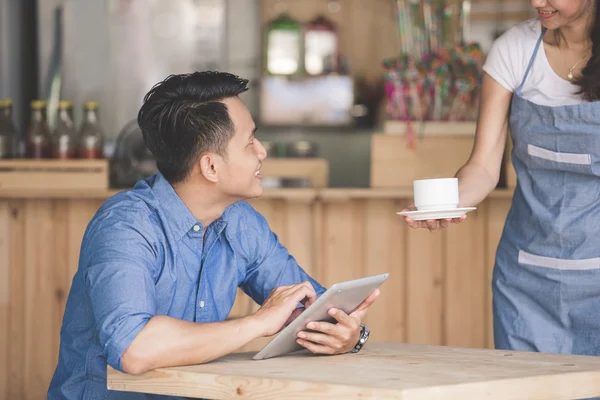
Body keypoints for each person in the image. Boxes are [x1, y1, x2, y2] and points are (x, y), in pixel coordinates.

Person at [48, 71, 379, 399]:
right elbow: (135, 349)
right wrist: (258, 322)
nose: (262, 151)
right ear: (210, 167)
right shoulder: (126, 227)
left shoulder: (240, 223)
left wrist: (345, 335)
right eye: (250, 142)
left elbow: (314, 311)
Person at [403, 0, 600, 356]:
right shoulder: (516, 49)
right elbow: (483, 166)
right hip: (527, 278)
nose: (536, 2)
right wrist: (448, 203)